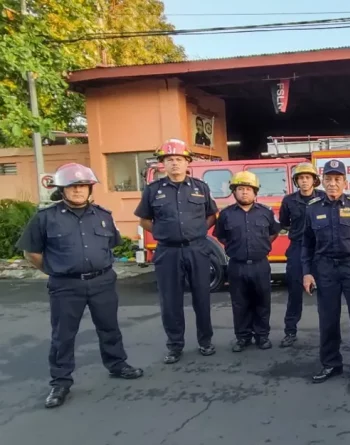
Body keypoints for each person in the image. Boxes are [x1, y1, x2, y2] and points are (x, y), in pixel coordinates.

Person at [16, 163, 143, 408]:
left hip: (102, 281)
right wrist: (54, 271)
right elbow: (31, 253)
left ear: (89, 188)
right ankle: (60, 382)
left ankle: (117, 364)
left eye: (82, 185)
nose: (78, 190)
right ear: (62, 190)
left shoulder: (103, 215)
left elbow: (110, 246)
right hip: (66, 286)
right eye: (72, 186)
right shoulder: (45, 218)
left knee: (109, 328)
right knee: (63, 335)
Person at [134, 139, 219, 364]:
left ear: (187, 162)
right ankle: (175, 345)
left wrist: (199, 230)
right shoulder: (153, 190)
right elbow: (144, 220)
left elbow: (212, 214)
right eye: (169, 160)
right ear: (163, 164)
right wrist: (162, 232)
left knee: (202, 297)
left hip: (197, 249)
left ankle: (205, 341)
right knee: (170, 301)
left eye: (179, 159)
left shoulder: (200, 187)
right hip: (168, 252)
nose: (174, 164)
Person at [301, 159, 350, 390]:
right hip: (325, 269)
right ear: (322, 181)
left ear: (345, 181)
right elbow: (306, 244)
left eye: (337, 179)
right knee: (328, 320)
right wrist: (307, 273)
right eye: (328, 179)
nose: (332, 184)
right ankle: (331, 364)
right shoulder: (313, 207)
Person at [214, 171, 282, 352]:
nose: (244, 192)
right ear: (234, 192)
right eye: (240, 189)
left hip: (260, 265)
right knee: (239, 303)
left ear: (255, 192)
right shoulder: (226, 215)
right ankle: (243, 337)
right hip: (237, 265)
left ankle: (262, 336)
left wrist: (262, 245)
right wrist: (236, 249)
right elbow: (221, 236)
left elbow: (274, 232)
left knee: (262, 302)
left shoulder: (266, 212)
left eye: (248, 189)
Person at [278, 162, 325, 348]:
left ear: (314, 180)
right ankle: (290, 332)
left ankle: (328, 332)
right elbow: (284, 222)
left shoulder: (323, 197)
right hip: (297, 248)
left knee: (326, 292)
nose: (304, 181)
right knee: (295, 293)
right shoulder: (288, 201)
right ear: (296, 181)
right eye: (300, 178)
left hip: (321, 249)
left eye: (308, 177)